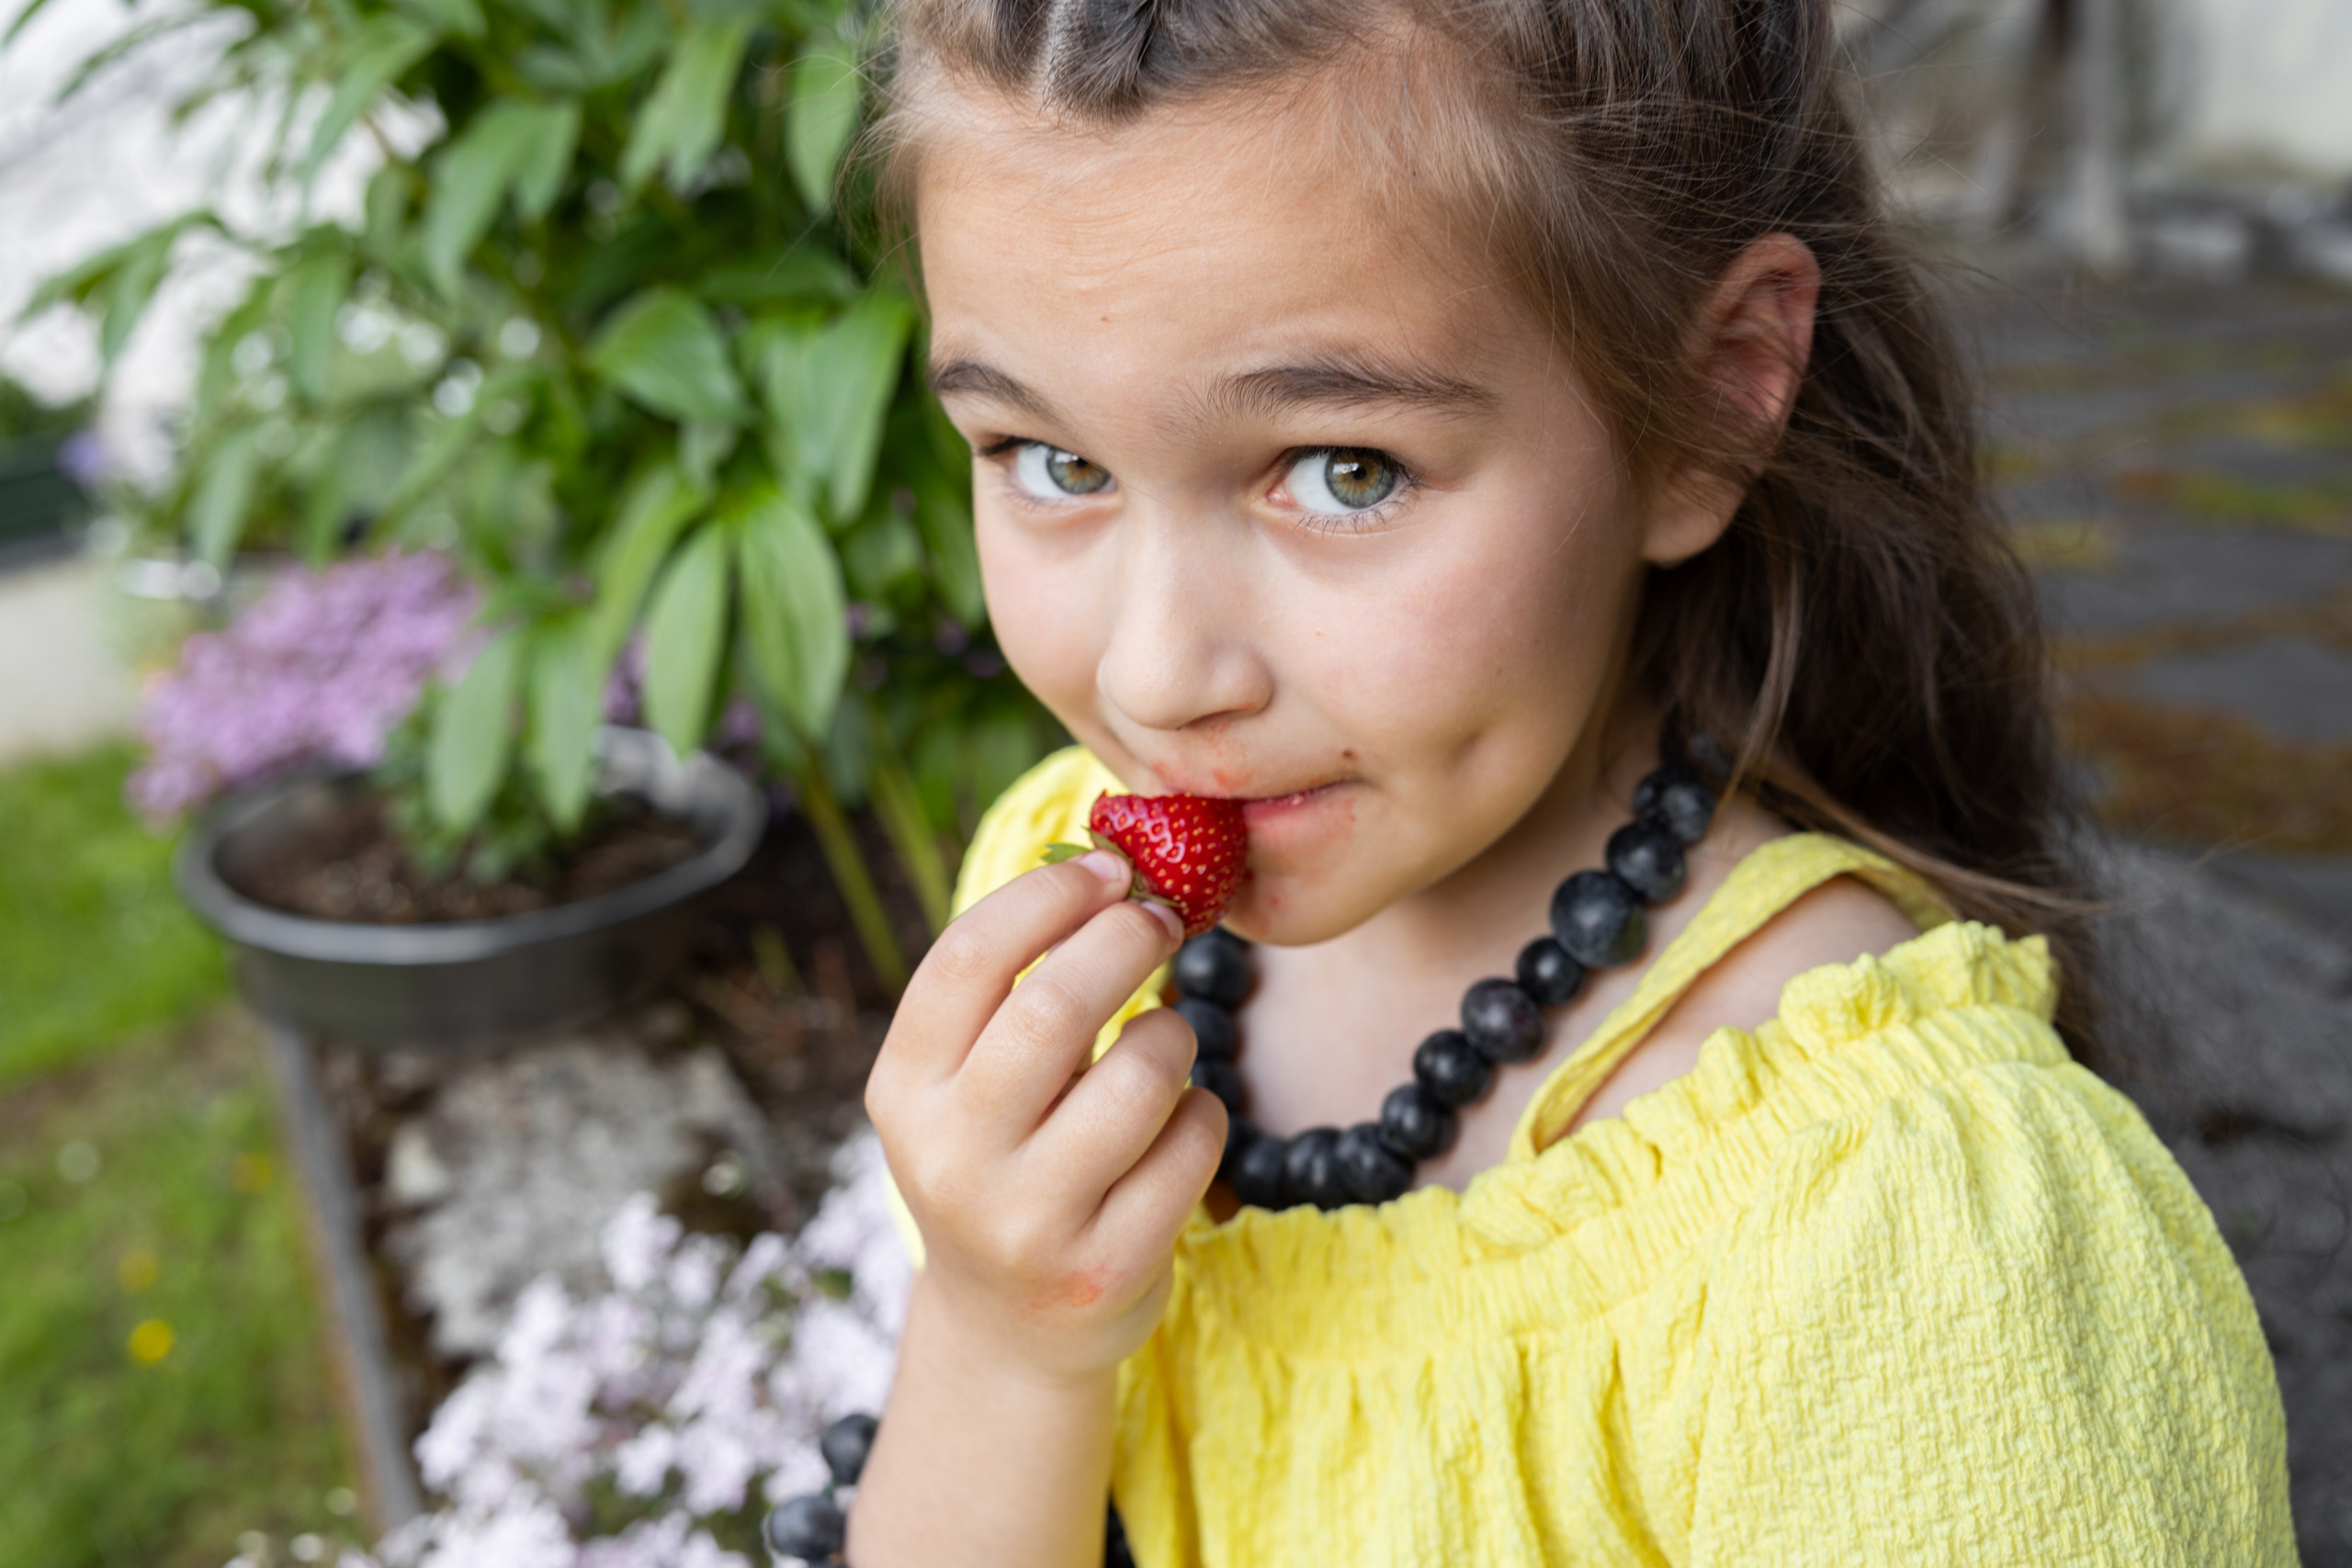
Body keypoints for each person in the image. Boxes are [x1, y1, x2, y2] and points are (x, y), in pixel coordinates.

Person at [838, 0, 2295, 1561]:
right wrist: (1004, 1342)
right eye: (1051, 463)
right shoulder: (1057, 903)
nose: (1153, 676)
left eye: (1346, 471)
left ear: (1708, 401)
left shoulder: (1903, 1239)